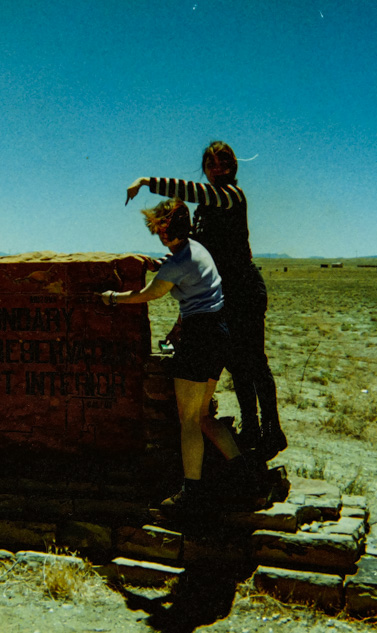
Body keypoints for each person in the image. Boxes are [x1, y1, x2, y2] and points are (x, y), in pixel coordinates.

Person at [125, 141, 287, 462]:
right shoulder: (202, 213)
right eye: (210, 163)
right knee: (236, 365)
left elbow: (195, 192)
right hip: (222, 293)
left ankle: (273, 431)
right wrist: (161, 265)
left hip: (245, 289)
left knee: (254, 361)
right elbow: (193, 256)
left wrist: (146, 183)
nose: (216, 168)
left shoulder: (230, 197)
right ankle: (251, 429)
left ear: (232, 166)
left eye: (222, 162)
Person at [99, 198, 258, 514]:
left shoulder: (178, 262)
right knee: (201, 417)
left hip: (200, 338)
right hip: (218, 332)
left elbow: (150, 294)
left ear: (164, 229)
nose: (157, 233)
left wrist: (113, 298)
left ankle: (192, 492)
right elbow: (188, 279)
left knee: (188, 421)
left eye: (159, 227)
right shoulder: (194, 249)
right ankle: (245, 477)